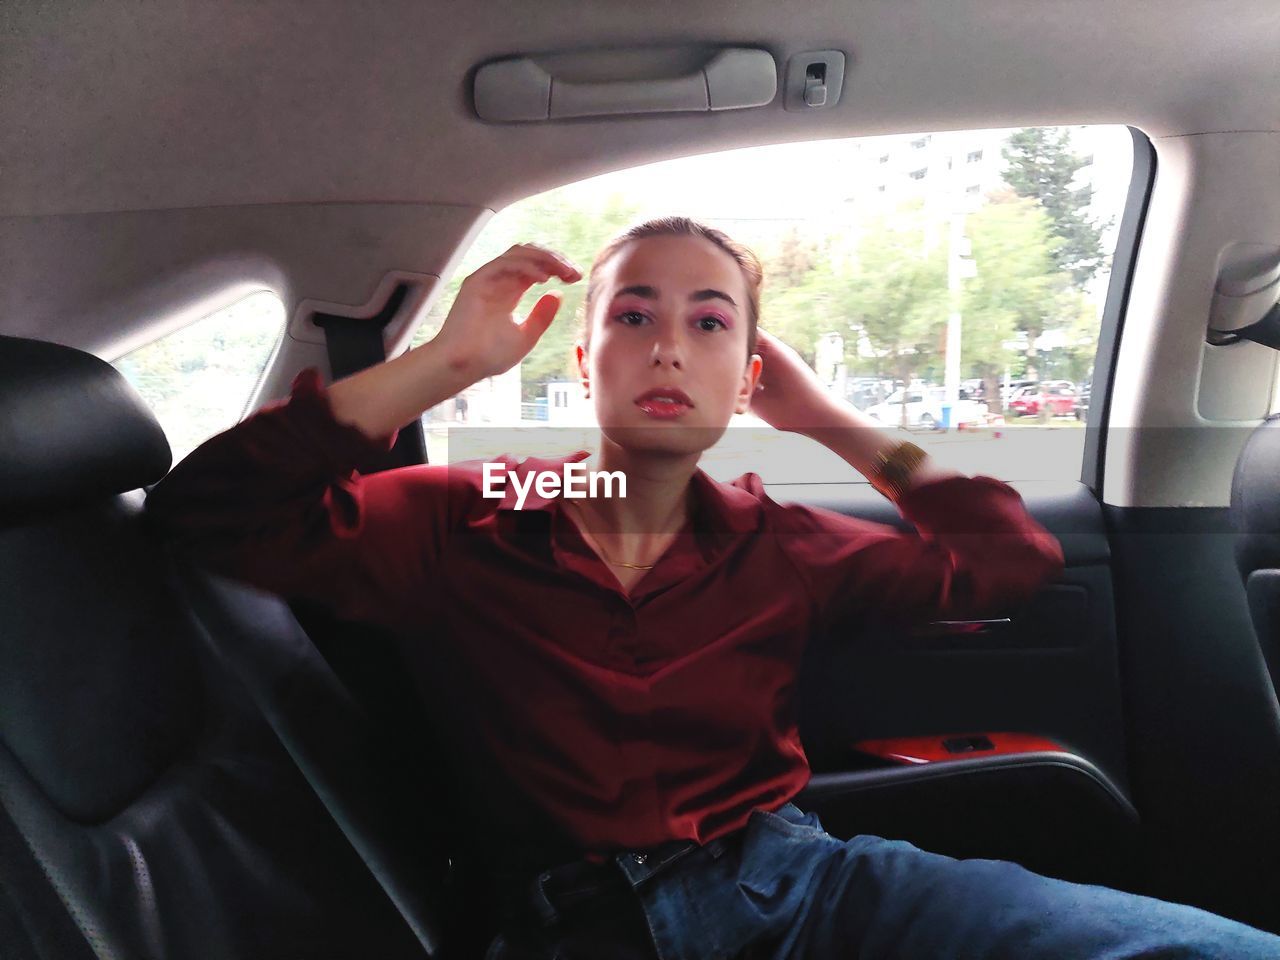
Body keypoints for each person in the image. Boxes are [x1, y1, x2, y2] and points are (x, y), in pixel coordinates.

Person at [143, 218, 1280, 959]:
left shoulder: (778, 540)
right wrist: (448, 361)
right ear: (583, 362)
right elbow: (212, 517)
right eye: (632, 316)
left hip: (799, 887)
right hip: (569, 925)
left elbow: (1005, 560)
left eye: (708, 322)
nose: (669, 349)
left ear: (743, 374)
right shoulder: (463, 514)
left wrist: (826, 422)